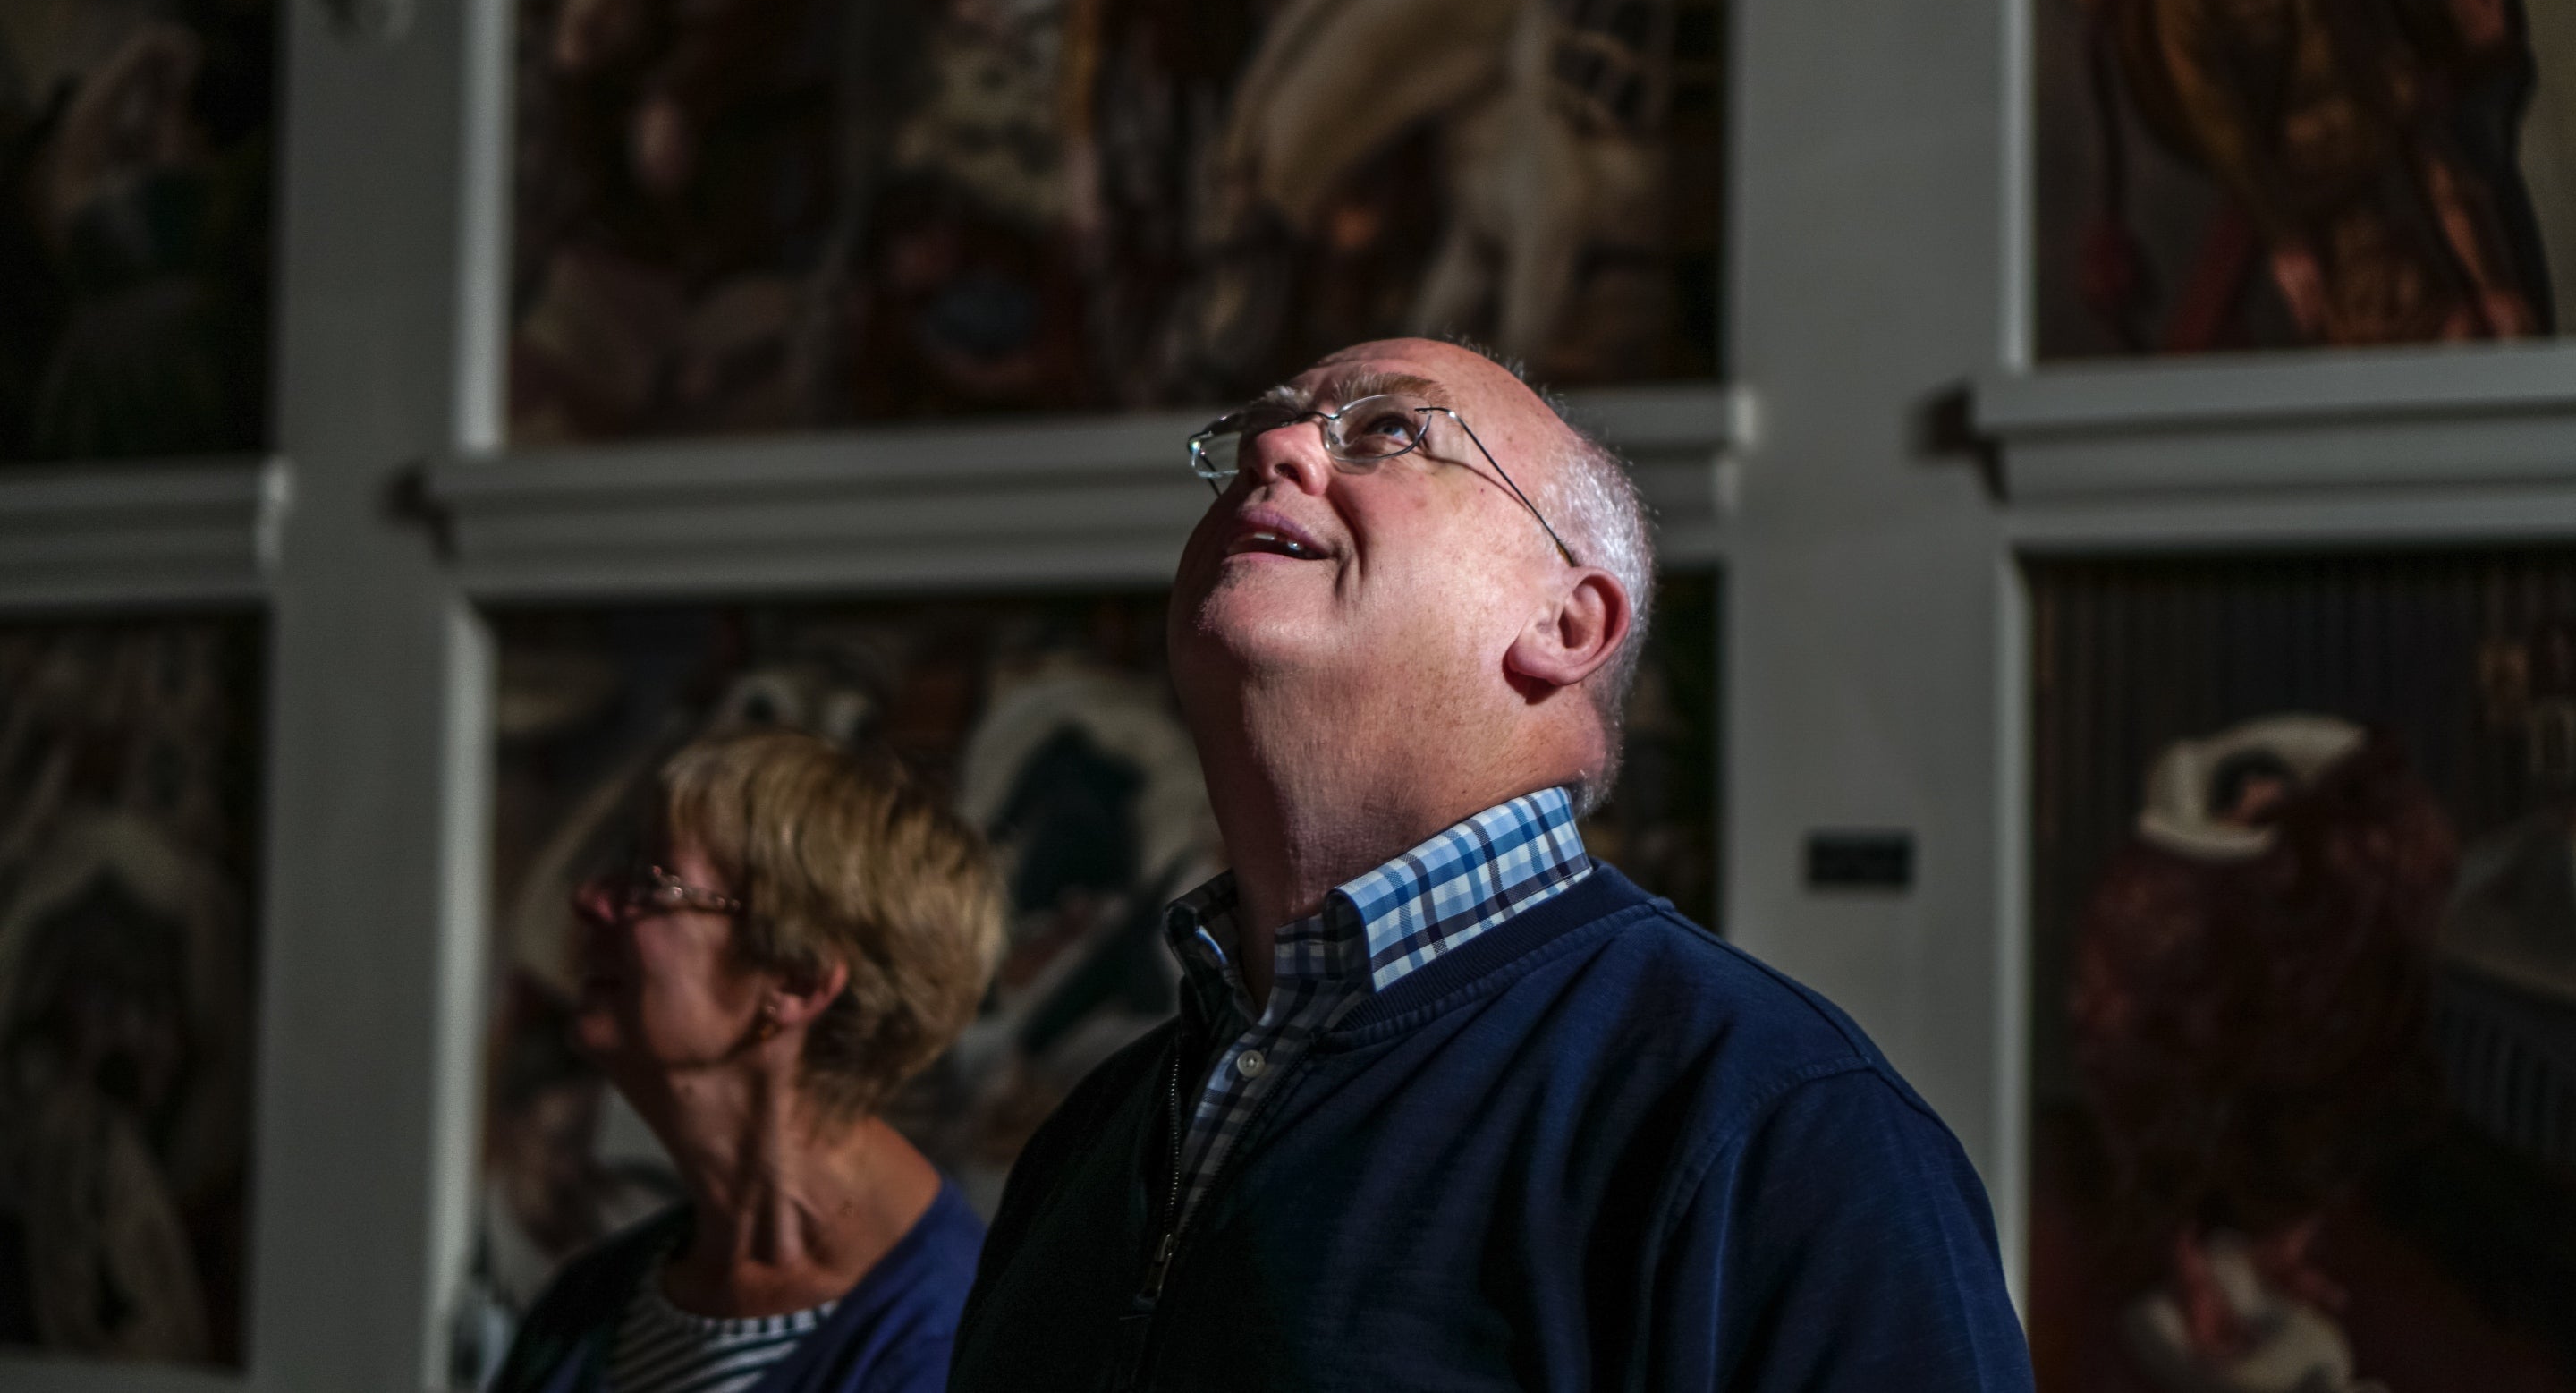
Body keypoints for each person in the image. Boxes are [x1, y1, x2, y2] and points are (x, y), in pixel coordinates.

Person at [949, 338, 2033, 1390]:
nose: (1277, 452)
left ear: (1566, 622)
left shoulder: (1779, 1124)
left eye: (1387, 430)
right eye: (1255, 440)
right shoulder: (1099, 1128)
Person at [491, 728, 1003, 1393]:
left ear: (795, 980)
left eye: (652, 882)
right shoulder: (593, 1307)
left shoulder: (943, 1343)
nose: (591, 900)